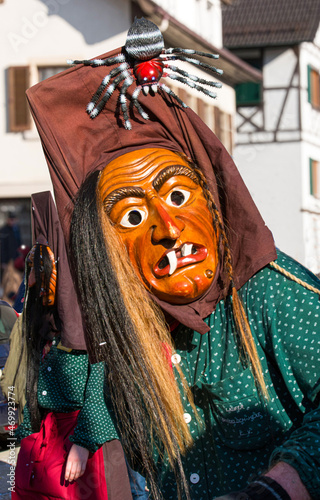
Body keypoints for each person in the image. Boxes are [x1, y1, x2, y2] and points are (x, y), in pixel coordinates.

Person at [26, 17, 320, 500]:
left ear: (211, 198)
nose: (167, 229)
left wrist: (278, 488)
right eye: (134, 214)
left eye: (179, 197)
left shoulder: (267, 293)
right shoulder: (123, 332)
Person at [13, 191, 132, 500]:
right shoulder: (44, 313)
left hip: (85, 438)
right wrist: (28, 436)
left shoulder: (91, 305)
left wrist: (84, 440)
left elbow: (103, 372)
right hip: (48, 437)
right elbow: (31, 371)